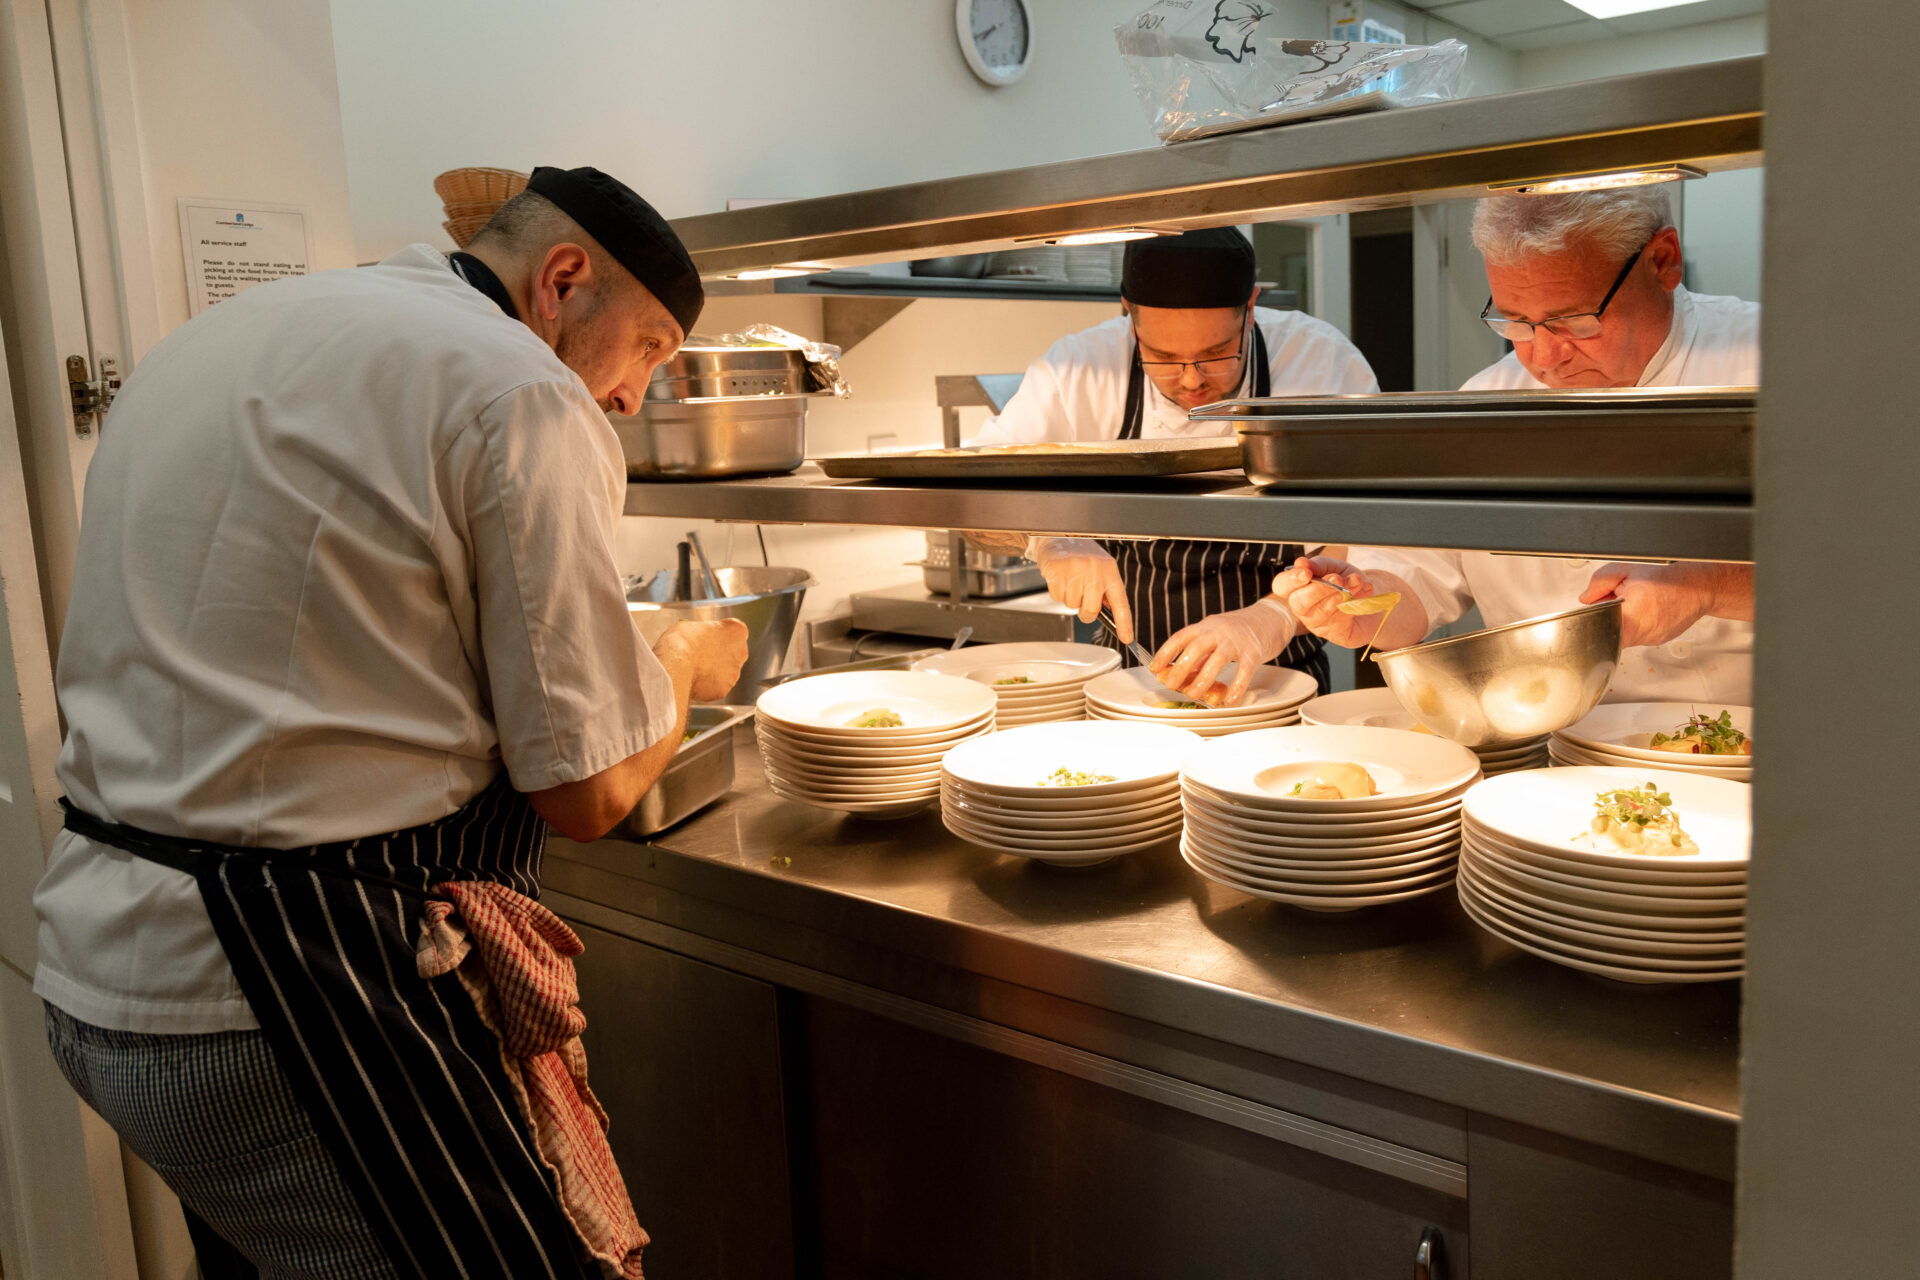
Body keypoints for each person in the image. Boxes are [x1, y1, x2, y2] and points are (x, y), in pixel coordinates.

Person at [34, 165, 749, 1278]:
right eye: (650, 348)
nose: (633, 397)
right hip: (292, 996)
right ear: (562, 279)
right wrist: (682, 660)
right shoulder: (518, 388)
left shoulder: (222, 336)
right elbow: (591, 789)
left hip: (97, 976)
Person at [1279, 187, 1758, 704]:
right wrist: (1360, 605)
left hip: (1759, 756)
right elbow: (1421, 577)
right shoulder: (1486, 404)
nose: (1545, 356)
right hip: (1548, 750)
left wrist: (1705, 585)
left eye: (1573, 320)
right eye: (1516, 323)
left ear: (1662, 261)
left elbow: (1852, 568)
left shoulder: (1775, 362)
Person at [970, 228, 1377, 705]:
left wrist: (1275, 615)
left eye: (1214, 354)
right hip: (1130, 687)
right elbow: (971, 501)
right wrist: (1048, 539)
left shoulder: (1321, 363)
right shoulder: (1080, 368)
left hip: (1283, 685)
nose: (1191, 381)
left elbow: (1369, 529)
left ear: (1250, 307)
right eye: (1162, 357)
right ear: (1128, 314)